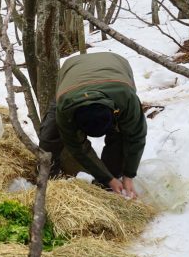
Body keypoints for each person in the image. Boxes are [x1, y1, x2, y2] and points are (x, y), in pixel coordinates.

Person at [38, 52, 147, 198]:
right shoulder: (65, 107)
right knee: (50, 136)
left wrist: (129, 175)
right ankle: (47, 180)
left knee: (120, 135)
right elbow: (78, 148)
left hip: (116, 66)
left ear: (114, 112)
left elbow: (136, 137)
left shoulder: (126, 98)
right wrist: (107, 177)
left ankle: (108, 183)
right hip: (73, 73)